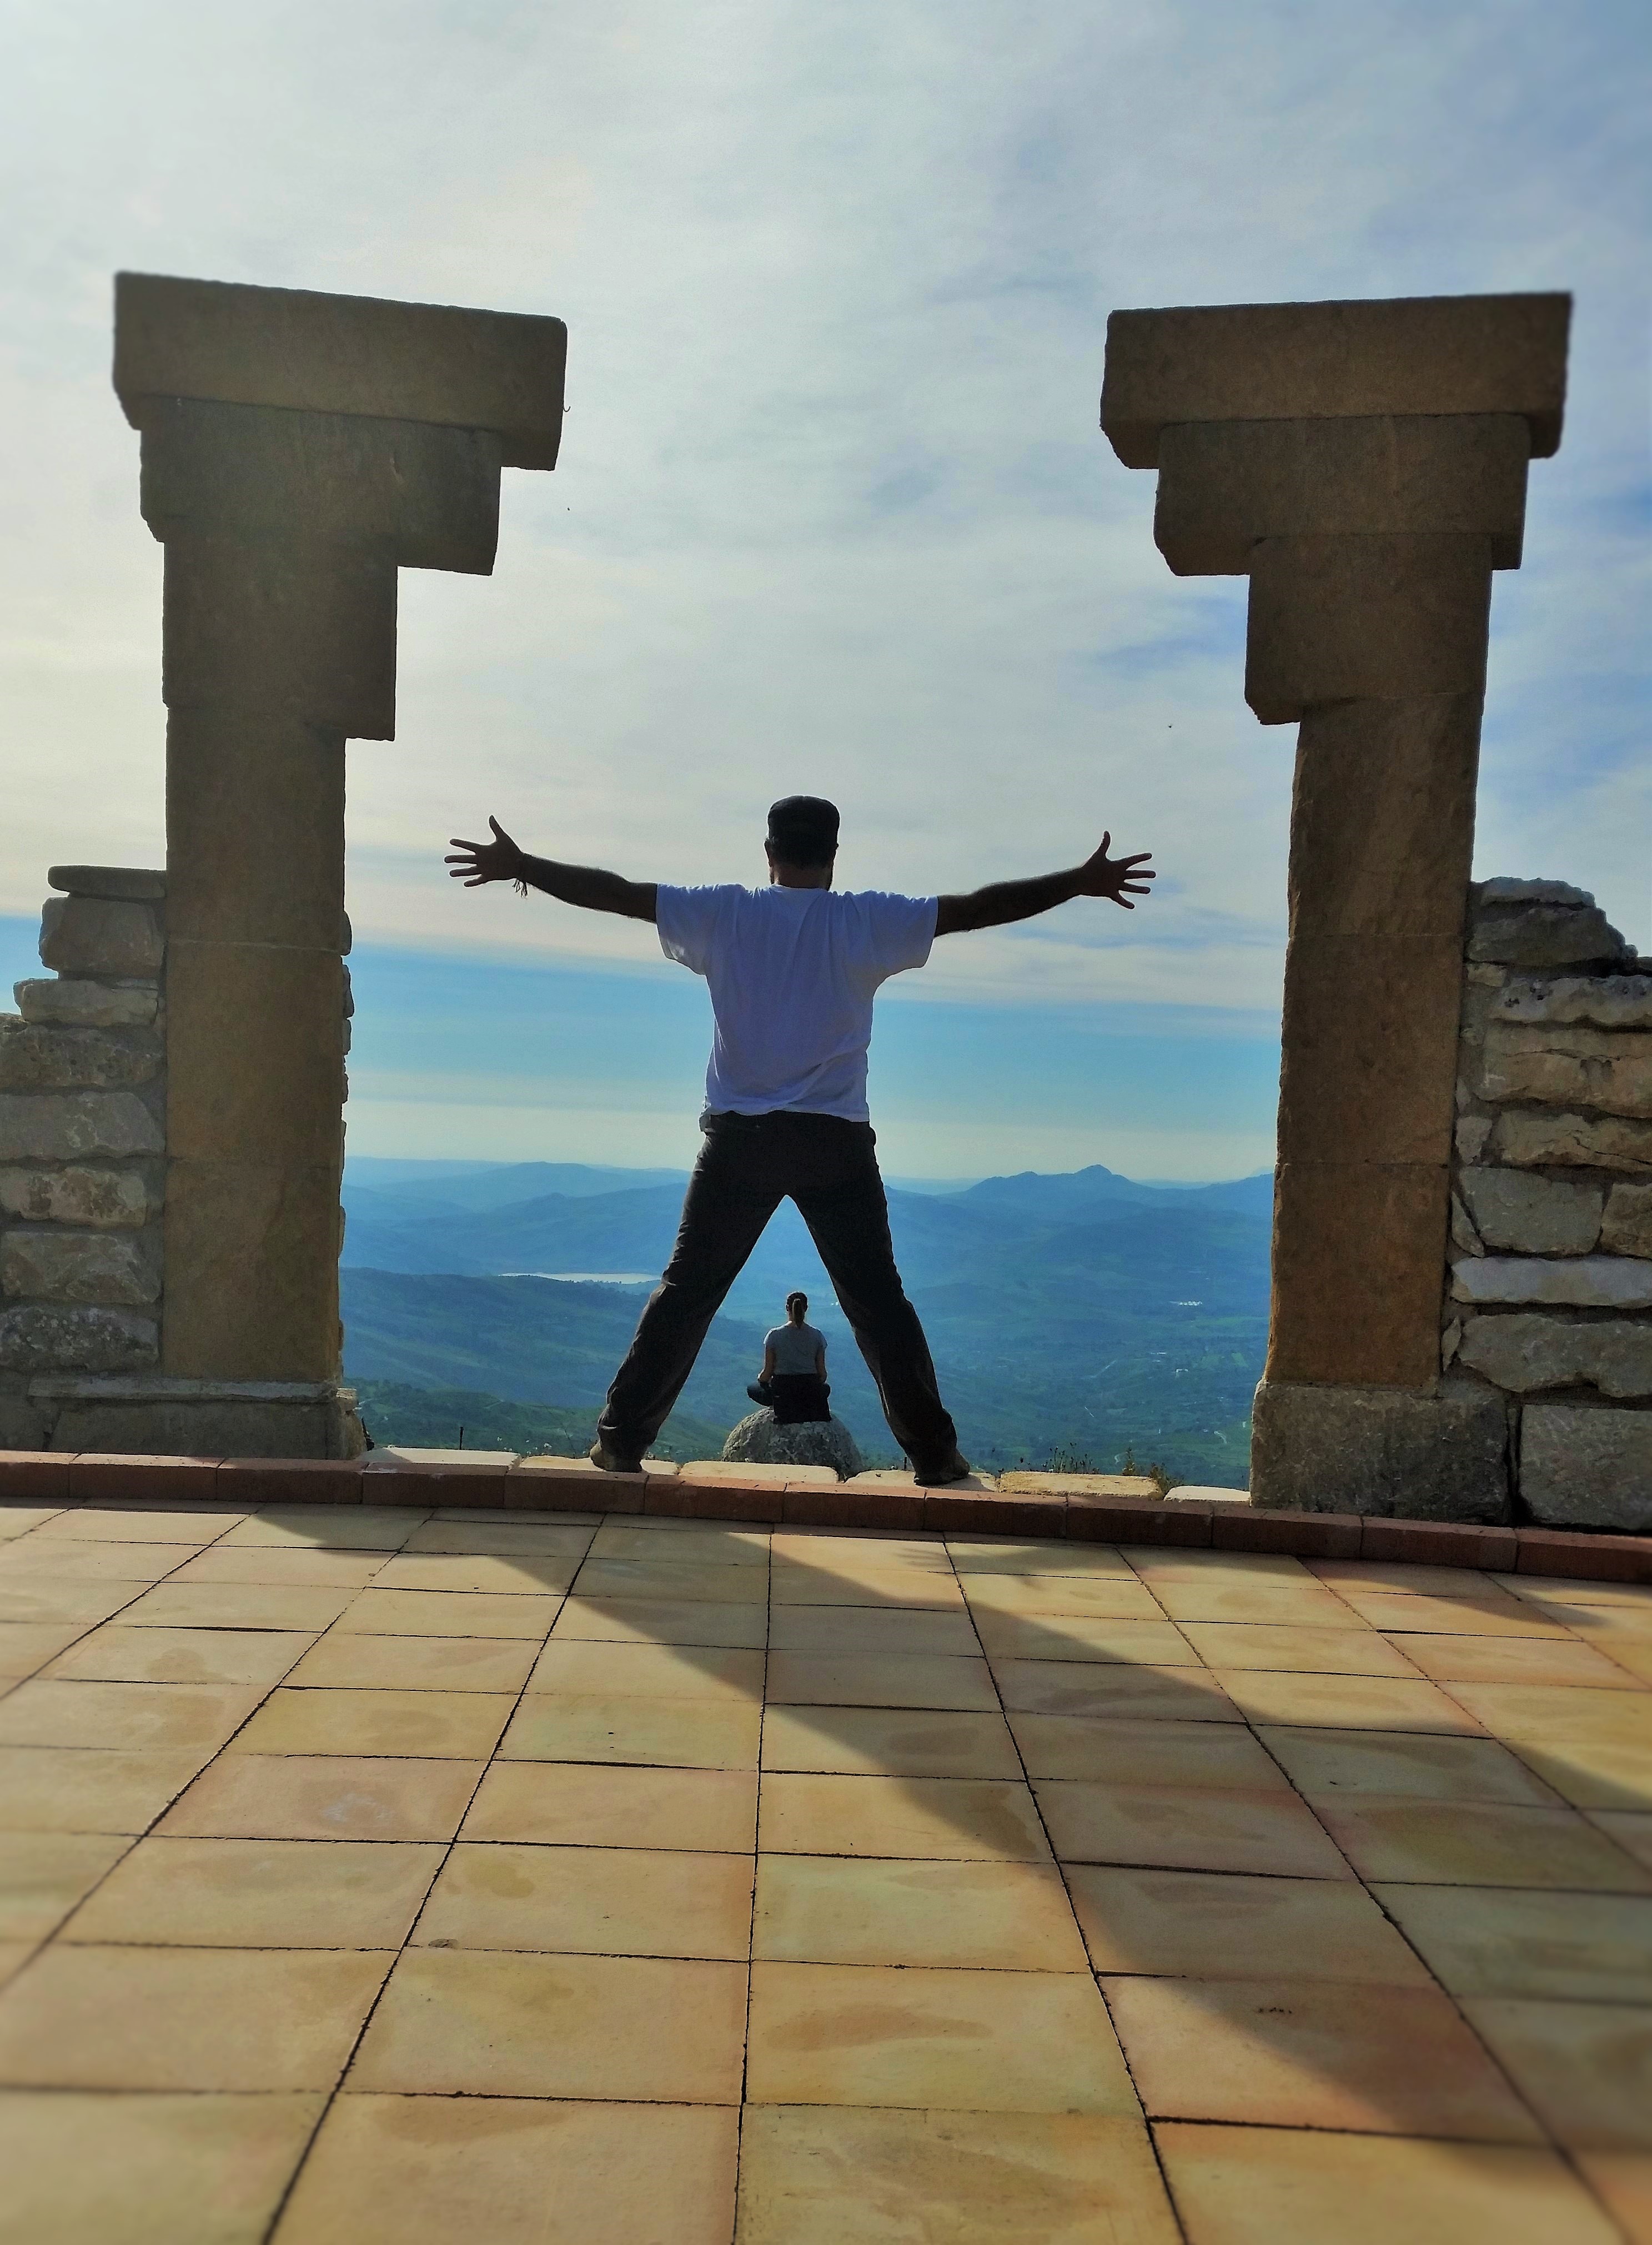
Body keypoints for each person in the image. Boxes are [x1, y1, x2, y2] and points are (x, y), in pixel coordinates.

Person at [446, 794, 1154, 1483]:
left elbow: (618, 893)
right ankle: (935, 1455)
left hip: (739, 1142)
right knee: (878, 1304)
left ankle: (620, 1442)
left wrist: (524, 865)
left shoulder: (724, 912)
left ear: (768, 852)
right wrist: (1077, 881)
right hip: (834, 1143)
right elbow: (975, 907)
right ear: (834, 854)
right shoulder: (864, 920)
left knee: (686, 1293)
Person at [748, 1290, 831, 1423]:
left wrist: (761, 1379)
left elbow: (767, 1373)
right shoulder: (817, 1336)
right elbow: (822, 1375)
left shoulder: (774, 1335)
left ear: (787, 1308)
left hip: (783, 1392)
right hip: (809, 1392)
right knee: (825, 1389)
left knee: (752, 1389)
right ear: (806, 1308)